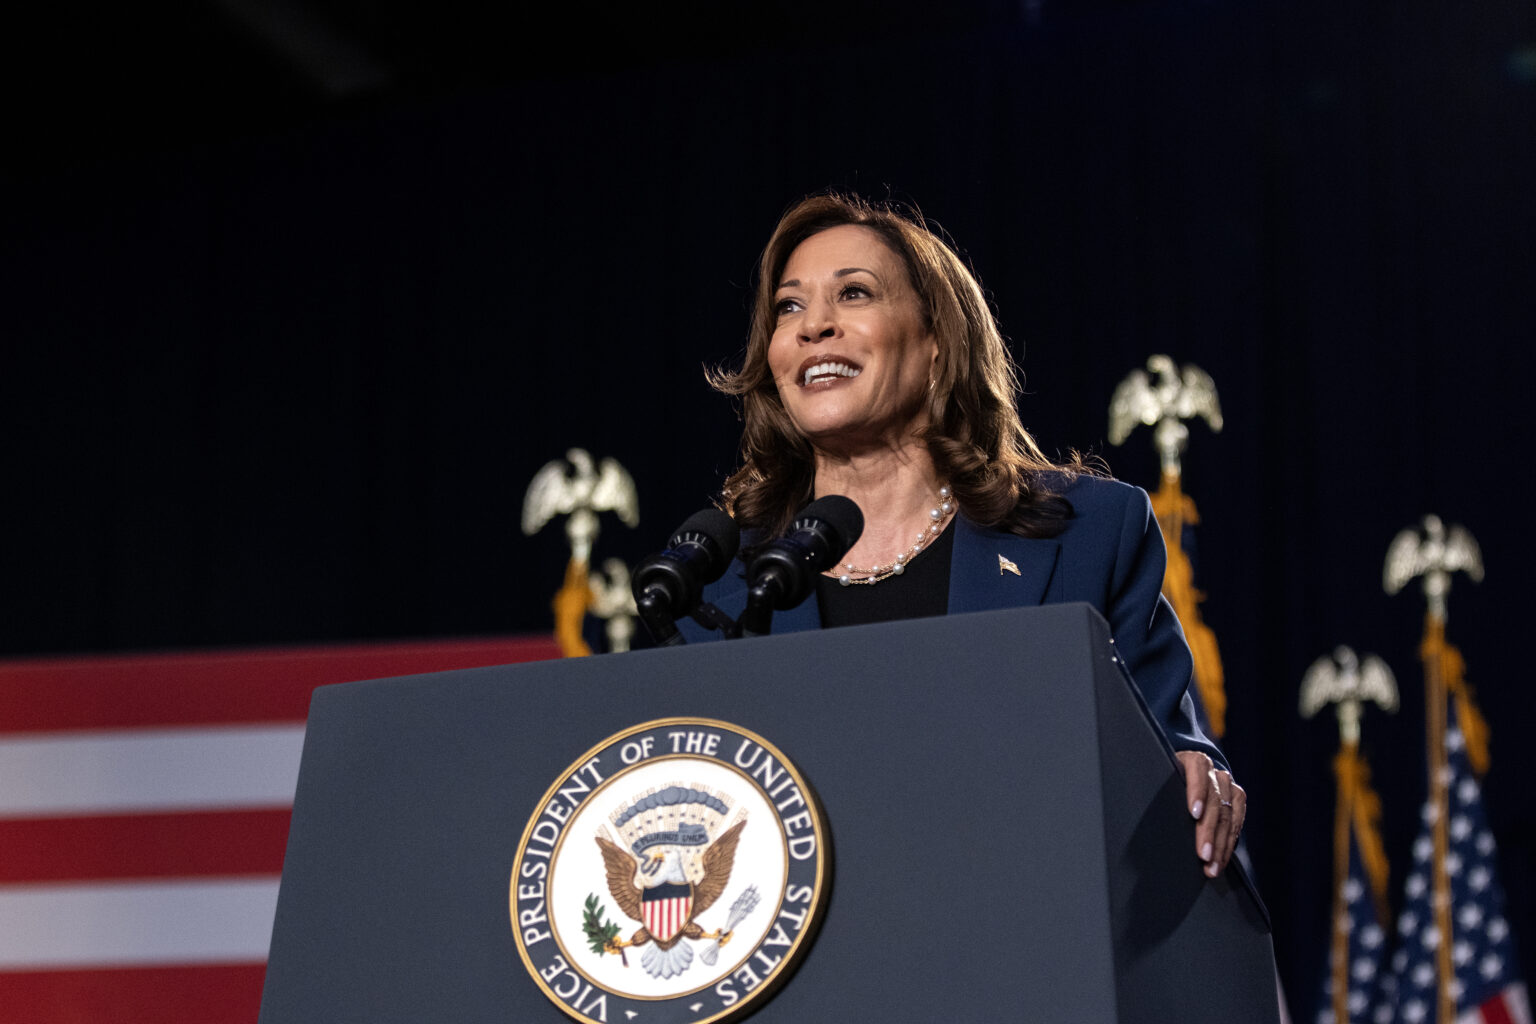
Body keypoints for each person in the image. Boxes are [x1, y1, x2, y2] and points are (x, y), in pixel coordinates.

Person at [681, 192, 1245, 878]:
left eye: (853, 294)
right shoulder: (721, 585)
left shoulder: (1090, 535)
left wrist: (1195, 774)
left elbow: (1163, 746)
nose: (813, 327)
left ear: (938, 343)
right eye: (788, 307)